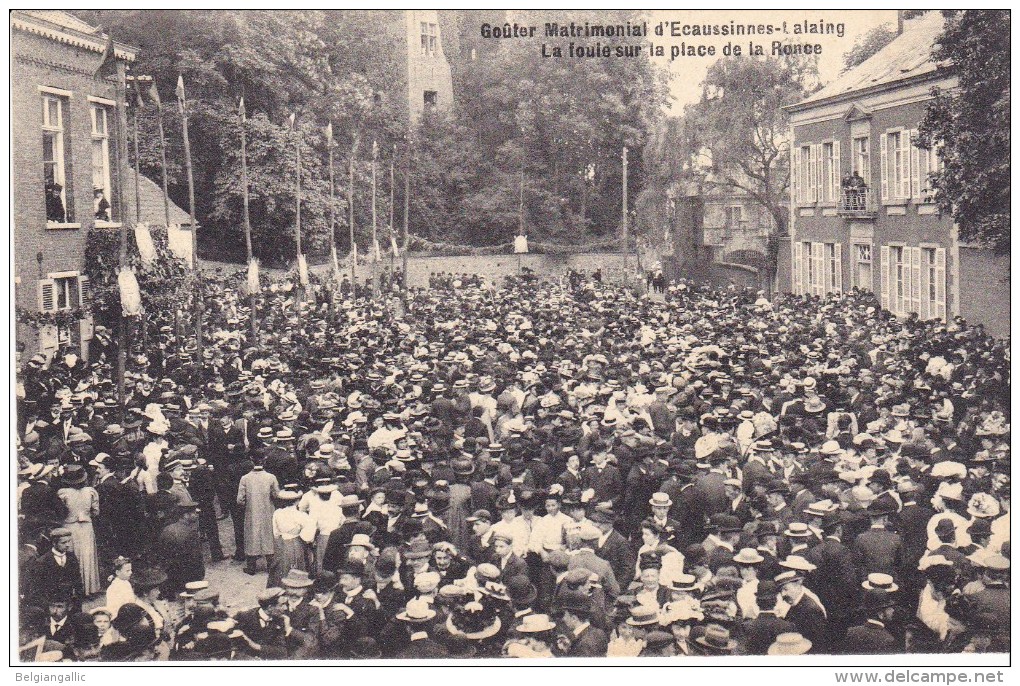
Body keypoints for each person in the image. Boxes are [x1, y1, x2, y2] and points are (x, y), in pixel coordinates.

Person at [56, 465, 101, 596]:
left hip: (69, 527)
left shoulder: (63, 493)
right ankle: (89, 588)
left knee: (71, 555)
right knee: (87, 556)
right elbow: (96, 512)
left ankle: (75, 590)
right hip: (86, 526)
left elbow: (60, 511)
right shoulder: (91, 491)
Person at [237, 458, 280, 575]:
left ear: (251, 461)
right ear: (264, 461)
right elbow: (277, 494)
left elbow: (240, 500)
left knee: (252, 535)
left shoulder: (245, 478)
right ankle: (271, 565)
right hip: (267, 510)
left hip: (252, 511)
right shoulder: (271, 477)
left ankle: (251, 567)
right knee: (268, 534)